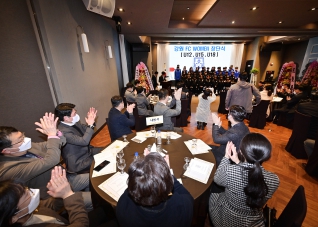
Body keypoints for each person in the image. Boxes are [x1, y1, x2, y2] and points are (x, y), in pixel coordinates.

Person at [0, 113, 92, 211]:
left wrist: (55, 133)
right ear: (7, 151)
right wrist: (52, 136)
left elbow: (58, 142)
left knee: (95, 177)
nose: (25, 140)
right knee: (93, 199)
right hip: (54, 194)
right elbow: (51, 160)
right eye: (20, 140)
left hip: (66, 178)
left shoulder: (24, 147)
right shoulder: (7, 170)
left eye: (22, 136)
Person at [209, 133, 280, 227]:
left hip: (226, 218)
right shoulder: (275, 180)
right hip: (253, 222)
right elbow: (250, 175)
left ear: (241, 152)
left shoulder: (230, 171)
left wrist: (226, 156)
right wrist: (237, 162)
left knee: (212, 193)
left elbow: (217, 179)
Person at [116, 152, 193, 227]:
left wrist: (144, 171)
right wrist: (168, 174)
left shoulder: (123, 205)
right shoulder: (182, 206)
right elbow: (187, 196)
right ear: (168, 185)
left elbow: (132, 187)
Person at [0, 166, 89, 227]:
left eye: (26, 189)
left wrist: (59, 192)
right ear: (14, 218)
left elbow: (48, 206)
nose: (32, 192)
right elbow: (81, 224)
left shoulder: (28, 212)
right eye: (27, 194)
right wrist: (68, 194)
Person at [55, 103, 104, 173]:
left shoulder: (73, 122)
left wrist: (91, 123)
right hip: (79, 162)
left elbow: (90, 132)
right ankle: (96, 177)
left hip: (87, 151)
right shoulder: (63, 132)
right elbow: (84, 142)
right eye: (74, 113)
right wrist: (90, 126)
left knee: (107, 150)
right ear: (66, 118)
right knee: (104, 160)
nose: (76, 115)